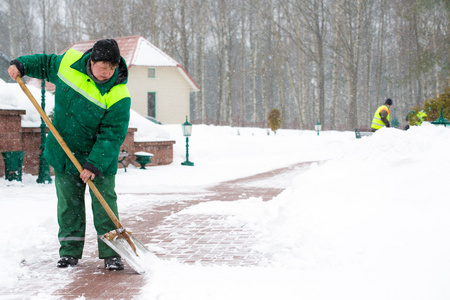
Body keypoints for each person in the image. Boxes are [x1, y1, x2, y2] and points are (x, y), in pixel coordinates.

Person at [8, 39, 131, 270]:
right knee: (69, 205)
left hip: (99, 160)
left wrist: (94, 164)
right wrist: (22, 65)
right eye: (103, 67)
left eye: (112, 68)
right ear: (91, 61)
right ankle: (69, 252)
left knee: (105, 206)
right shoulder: (69, 62)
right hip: (65, 152)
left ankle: (112, 254)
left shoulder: (119, 93)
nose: (107, 73)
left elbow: (112, 134)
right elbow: (45, 64)